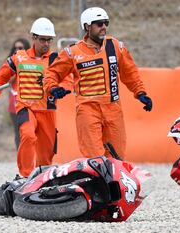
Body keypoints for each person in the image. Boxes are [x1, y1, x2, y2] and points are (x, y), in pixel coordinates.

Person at [44, 7, 153, 159]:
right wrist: (53, 88)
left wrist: (141, 93)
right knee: (95, 158)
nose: (104, 27)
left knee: (117, 157)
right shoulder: (72, 52)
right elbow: (52, 73)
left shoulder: (115, 47)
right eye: (99, 24)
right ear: (87, 27)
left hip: (113, 109)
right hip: (87, 110)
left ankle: (113, 184)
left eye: (105, 23)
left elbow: (131, 74)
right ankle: (97, 183)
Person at [0, 18, 72, 177]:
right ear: (33, 38)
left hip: (47, 110)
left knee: (46, 152)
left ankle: (42, 178)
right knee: (27, 135)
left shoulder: (55, 59)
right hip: (26, 108)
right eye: (42, 40)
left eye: (49, 40)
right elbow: (1, 77)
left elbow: (68, 79)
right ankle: (25, 176)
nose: (46, 44)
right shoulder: (19, 57)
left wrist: (63, 89)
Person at [7, 38, 31, 149]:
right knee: (18, 132)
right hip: (14, 103)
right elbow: (7, 80)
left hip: (29, 101)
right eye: (15, 48)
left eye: (20, 48)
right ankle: (20, 158)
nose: (17, 50)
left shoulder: (32, 61)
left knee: (28, 131)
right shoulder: (10, 62)